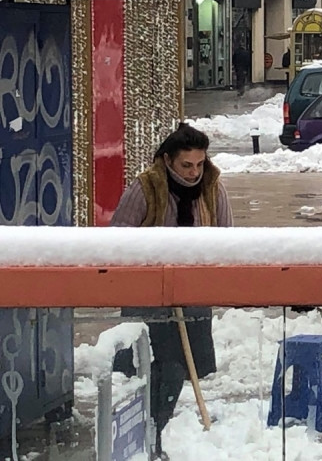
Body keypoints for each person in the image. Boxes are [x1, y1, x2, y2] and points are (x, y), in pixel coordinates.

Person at [111, 124, 233, 460]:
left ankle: (152, 435)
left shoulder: (212, 189)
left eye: (199, 164)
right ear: (167, 160)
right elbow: (118, 241)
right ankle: (145, 437)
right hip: (149, 296)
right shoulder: (146, 188)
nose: (194, 172)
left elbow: (227, 240)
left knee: (177, 367)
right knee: (157, 368)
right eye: (186, 165)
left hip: (193, 295)